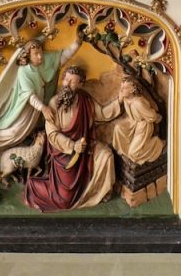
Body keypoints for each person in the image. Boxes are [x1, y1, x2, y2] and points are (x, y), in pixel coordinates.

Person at [25, 65, 121, 211]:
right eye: (66, 80)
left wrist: (120, 100)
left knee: (106, 156)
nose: (67, 84)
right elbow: (52, 134)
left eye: (72, 82)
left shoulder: (86, 101)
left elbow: (102, 114)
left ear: (80, 84)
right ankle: (34, 185)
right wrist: (72, 145)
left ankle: (101, 192)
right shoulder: (54, 103)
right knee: (65, 201)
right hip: (64, 154)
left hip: (86, 147)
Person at [0, 33, 81, 164]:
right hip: (23, 107)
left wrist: (77, 42)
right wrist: (43, 108)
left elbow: (63, 57)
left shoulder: (43, 60)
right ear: (28, 55)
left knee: (24, 132)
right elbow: (30, 96)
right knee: (14, 131)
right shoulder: (24, 71)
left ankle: (7, 154)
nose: (40, 56)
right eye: (36, 54)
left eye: (41, 52)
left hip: (35, 108)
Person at [110, 74, 165, 165]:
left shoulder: (138, 103)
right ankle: (124, 151)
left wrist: (157, 118)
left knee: (134, 153)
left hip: (143, 126)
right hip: (132, 122)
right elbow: (130, 116)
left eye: (125, 88)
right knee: (118, 128)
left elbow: (152, 116)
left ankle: (156, 143)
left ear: (133, 89)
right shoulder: (126, 99)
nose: (121, 90)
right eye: (121, 87)